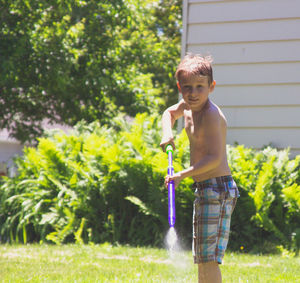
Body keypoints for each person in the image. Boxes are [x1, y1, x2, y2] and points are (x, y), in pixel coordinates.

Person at [160, 53, 239, 283]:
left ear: (211, 87)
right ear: (180, 87)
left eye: (199, 87)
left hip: (218, 189)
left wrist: (182, 175)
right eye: (187, 87)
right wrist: (167, 132)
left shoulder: (212, 115)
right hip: (205, 188)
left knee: (209, 258)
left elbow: (214, 158)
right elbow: (168, 113)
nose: (193, 93)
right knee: (202, 257)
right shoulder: (186, 106)